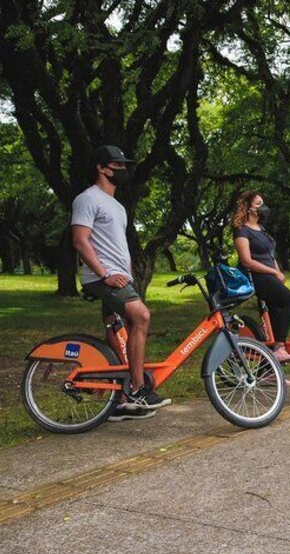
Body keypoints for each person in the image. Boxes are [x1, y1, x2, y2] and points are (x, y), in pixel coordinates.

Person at [72, 145, 170, 421]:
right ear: (101, 168)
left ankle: (122, 401)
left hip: (120, 276)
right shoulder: (87, 199)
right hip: (103, 277)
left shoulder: (117, 206)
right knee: (141, 316)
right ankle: (139, 389)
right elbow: (80, 241)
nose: (123, 170)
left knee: (117, 333)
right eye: (117, 165)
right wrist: (104, 274)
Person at [233, 191, 290, 364]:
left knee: (276, 311)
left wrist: (277, 271)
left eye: (263, 202)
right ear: (248, 208)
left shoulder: (262, 229)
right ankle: (279, 347)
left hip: (269, 275)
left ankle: (269, 370)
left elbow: (270, 254)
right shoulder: (242, 231)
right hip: (255, 276)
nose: (263, 207)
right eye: (258, 204)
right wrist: (273, 273)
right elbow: (247, 261)